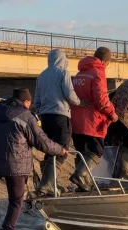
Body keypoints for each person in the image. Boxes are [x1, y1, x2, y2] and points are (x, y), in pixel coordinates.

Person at [0, 88, 67, 230]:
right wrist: (60, 150)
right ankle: (8, 227)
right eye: (30, 103)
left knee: (14, 198)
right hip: (17, 166)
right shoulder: (26, 116)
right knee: (16, 201)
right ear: (26, 101)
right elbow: (43, 143)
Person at [33, 49, 89, 196]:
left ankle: (50, 183)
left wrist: (41, 112)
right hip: (60, 116)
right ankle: (47, 185)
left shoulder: (41, 76)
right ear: (63, 60)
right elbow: (69, 94)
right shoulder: (63, 73)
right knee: (61, 151)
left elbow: (36, 100)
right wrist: (79, 102)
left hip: (45, 117)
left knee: (50, 149)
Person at [70, 47, 118, 192]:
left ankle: (85, 184)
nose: (107, 65)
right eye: (108, 62)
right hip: (92, 122)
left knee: (82, 152)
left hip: (76, 121)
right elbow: (101, 99)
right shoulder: (98, 72)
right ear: (104, 61)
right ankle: (80, 175)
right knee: (96, 151)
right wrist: (112, 113)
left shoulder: (80, 73)